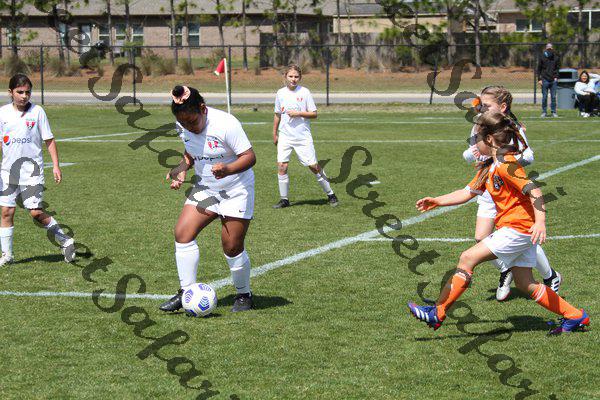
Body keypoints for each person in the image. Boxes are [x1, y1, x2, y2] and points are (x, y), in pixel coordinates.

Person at [409, 112, 589, 335]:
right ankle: (575, 315)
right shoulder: (490, 166)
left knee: (467, 258)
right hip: (518, 229)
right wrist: (437, 201)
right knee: (525, 283)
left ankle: (438, 312)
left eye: (476, 139)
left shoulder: (506, 163)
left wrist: (540, 222)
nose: (474, 145)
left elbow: (534, 190)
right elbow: (467, 192)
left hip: (518, 228)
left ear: (489, 139)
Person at [159, 85, 257, 313]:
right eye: (183, 123)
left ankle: (244, 294)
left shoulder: (226, 124)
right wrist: (182, 168)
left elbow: (249, 157)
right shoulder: (183, 125)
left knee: (231, 246)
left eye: (192, 122)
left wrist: (228, 169)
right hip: (206, 188)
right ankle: (186, 292)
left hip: (236, 190)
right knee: (182, 233)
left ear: (203, 109)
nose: (188, 127)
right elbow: (191, 152)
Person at [465, 86, 561, 301]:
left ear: (502, 107)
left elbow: (529, 155)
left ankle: (550, 276)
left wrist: (504, 160)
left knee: (523, 238)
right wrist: (474, 154)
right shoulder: (480, 124)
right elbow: (471, 152)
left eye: (486, 105)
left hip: (509, 190)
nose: (481, 109)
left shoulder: (511, 127)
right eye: (480, 105)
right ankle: (505, 268)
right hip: (489, 187)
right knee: (480, 237)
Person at [0, 73, 75, 267]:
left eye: (27, 92)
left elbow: (49, 140)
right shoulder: (2, 113)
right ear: (10, 92)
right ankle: (7, 255)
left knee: (35, 213)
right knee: (6, 212)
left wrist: (56, 165)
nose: (24, 96)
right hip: (8, 172)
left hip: (32, 171)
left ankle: (65, 241)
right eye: (20, 92)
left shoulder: (37, 112)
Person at [272, 64, 338, 208]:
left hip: (302, 137)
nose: (293, 79)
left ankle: (331, 194)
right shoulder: (280, 93)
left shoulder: (305, 92)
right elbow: (277, 114)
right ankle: (284, 199)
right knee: (282, 166)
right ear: (285, 77)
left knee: (313, 166)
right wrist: (274, 133)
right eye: (290, 76)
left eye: (296, 76)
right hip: (285, 136)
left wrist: (298, 113)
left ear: (300, 78)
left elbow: (314, 114)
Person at [536, 43, 560, 118]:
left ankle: (553, 112)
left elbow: (557, 68)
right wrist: (539, 79)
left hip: (553, 80)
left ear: (552, 48)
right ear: (546, 48)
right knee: (544, 97)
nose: (549, 49)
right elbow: (539, 69)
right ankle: (544, 112)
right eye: (548, 47)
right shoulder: (542, 57)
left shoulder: (556, 57)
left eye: (550, 47)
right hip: (544, 79)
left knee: (553, 97)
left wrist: (556, 77)